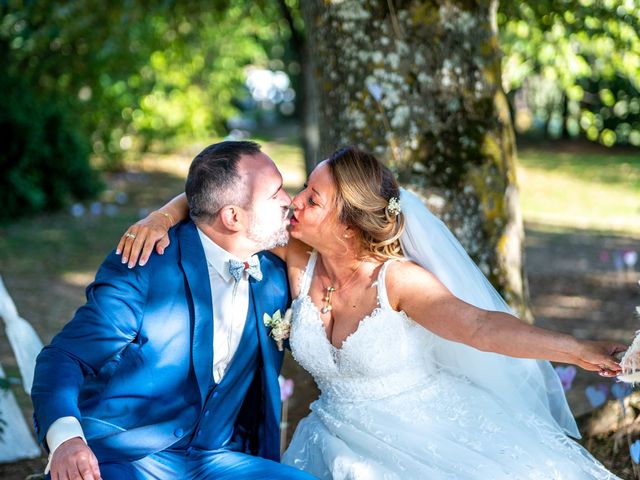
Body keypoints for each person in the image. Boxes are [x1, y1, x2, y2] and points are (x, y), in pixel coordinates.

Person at [120, 145, 625, 479]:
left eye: (312, 199)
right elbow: (217, 197)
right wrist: (160, 215)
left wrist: (579, 351)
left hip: (428, 433)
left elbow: (480, 327)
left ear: (346, 223)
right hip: (333, 437)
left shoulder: (397, 281)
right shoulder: (298, 255)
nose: (293, 203)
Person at [31, 141, 316, 480]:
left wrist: (163, 213)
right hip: (128, 456)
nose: (290, 201)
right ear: (232, 216)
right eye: (276, 193)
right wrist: (66, 441)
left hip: (219, 459)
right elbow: (65, 357)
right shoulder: (146, 265)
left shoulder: (274, 271)